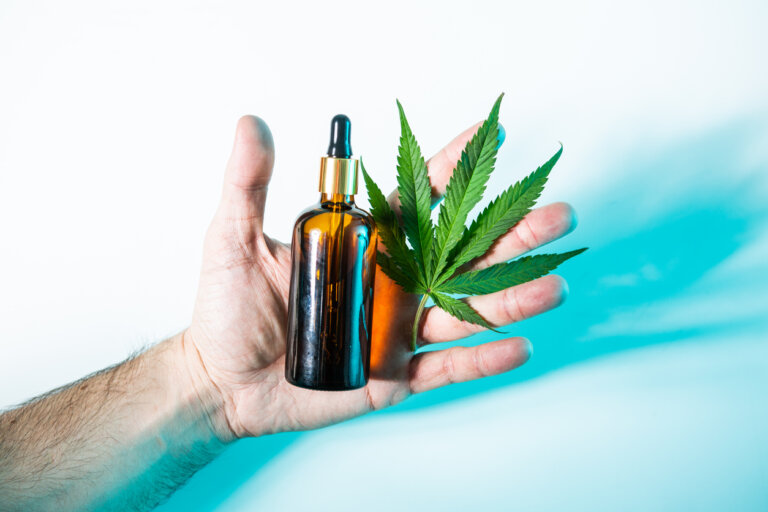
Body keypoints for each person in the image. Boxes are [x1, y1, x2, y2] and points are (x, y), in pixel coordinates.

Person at [0, 116, 577, 511]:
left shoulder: (356, 227)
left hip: (351, 366)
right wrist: (209, 379)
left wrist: (209, 386)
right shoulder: (314, 225)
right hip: (298, 367)